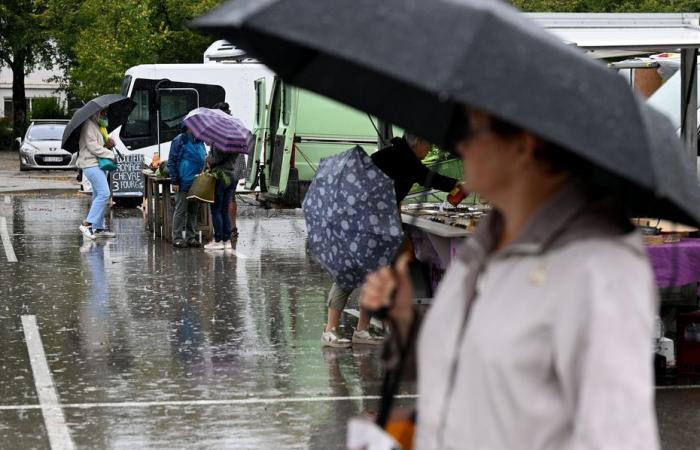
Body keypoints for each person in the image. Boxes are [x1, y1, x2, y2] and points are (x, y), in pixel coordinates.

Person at [361, 108, 659, 449]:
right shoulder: (483, 247)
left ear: (524, 146)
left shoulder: (598, 265)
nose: (461, 145)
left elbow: (616, 434)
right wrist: (404, 323)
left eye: (475, 133)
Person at [321, 133, 464, 348]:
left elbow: (392, 193)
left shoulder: (399, 156)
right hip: (361, 222)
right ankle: (329, 330)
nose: (429, 149)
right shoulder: (402, 158)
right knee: (348, 273)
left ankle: (362, 329)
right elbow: (428, 178)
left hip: (378, 222)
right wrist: (459, 185)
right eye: (429, 144)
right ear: (420, 142)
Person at [204, 102, 243, 250]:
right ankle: (226, 240)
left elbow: (217, 158)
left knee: (216, 209)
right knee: (224, 208)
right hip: (231, 175)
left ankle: (218, 240)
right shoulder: (235, 131)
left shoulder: (221, 134)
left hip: (220, 175)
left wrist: (208, 159)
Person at [77, 109, 116, 240]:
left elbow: (98, 146)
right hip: (90, 164)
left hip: (96, 164)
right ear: (96, 112)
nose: (106, 114)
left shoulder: (96, 126)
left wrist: (108, 145)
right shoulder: (89, 125)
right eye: (103, 112)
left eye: (106, 112)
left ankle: (97, 228)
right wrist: (110, 154)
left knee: (97, 195)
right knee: (104, 193)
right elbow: (93, 147)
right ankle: (87, 224)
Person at [168, 125, 207, 248]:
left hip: (196, 182)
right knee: (181, 210)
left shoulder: (200, 141)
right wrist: (175, 181)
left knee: (193, 211)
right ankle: (177, 238)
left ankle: (191, 237)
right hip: (183, 181)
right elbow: (172, 161)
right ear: (188, 128)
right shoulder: (180, 140)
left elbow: (204, 157)